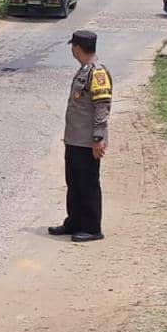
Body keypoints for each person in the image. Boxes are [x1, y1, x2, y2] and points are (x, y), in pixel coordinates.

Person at [49, 30, 112, 243]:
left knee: (88, 184)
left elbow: (102, 108)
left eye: (72, 47)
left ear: (77, 48)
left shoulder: (97, 73)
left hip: (87, 142)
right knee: (74, 183)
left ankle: (92, 227)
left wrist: (98, 138)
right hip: (75, 139)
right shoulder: (84, 71)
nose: (72, 51)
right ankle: (74, 221)